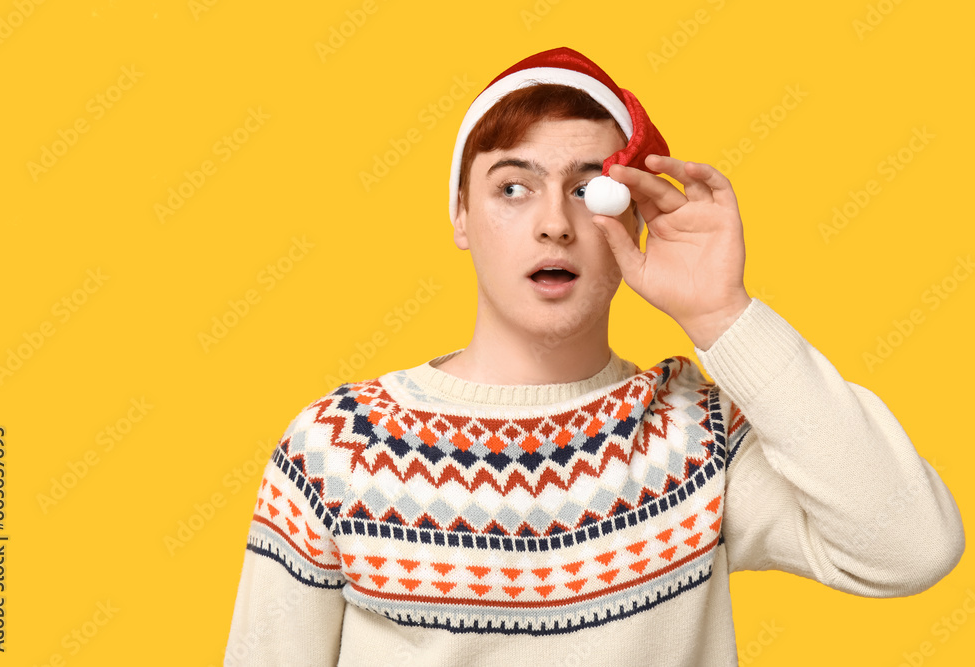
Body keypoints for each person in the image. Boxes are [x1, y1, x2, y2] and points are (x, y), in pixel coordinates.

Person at [224, 47, 965, 666]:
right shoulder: (337, 446)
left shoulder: (693, 438)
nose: (555, 223)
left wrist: (722, 315)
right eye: (513, 187)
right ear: (461, 214)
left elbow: (910, 546)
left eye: (589, 190)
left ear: (633, 219)